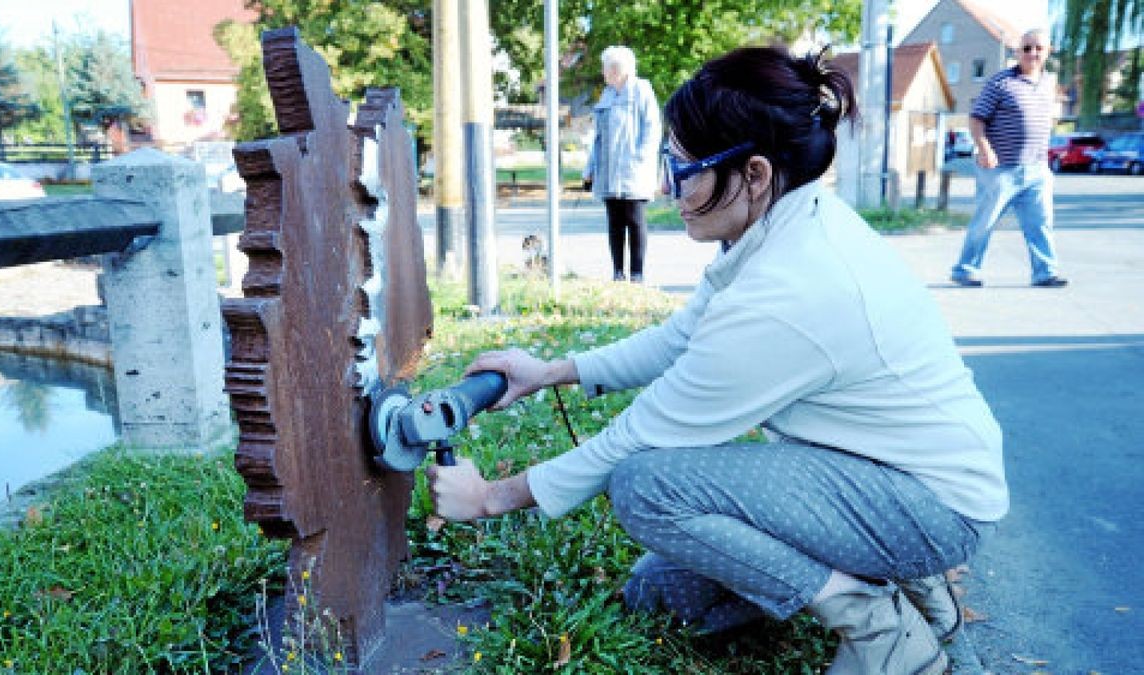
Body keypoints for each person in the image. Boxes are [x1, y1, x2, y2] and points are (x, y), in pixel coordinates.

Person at [429, 45, 1006, 675]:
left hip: (927, 505)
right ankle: (891, 576)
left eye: (683, 169)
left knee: (645, 487)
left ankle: (875, 622)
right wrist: (551, 371)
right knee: (663, 597)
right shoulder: (779, 226)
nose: (665, 188)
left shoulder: (791, 289)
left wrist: (487, 498)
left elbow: (639, 438)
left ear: (754, 174)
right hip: (873, 470)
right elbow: (679, 339)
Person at [950, 29, 1067, 288]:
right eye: (1026, 48)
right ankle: (966, 270)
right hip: (1000, 169)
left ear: (1048, 51)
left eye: (1038, 48)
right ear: (1017, 52)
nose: (1032, 53)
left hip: (1036, 168)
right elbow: (976, 118)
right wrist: (984, 149)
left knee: (1041, 223)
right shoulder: (1000, 83)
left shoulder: (1049, 83)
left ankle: (1045, 272)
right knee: (985, 222)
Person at [583, 46, 662, 283]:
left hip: (633, 171)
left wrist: (640, 159)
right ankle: (618, 272)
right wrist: (590, 168)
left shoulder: (641, 90)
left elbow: (652, 129)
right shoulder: (606, 95)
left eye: (605, 67)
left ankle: (637, 274)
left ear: (617, 69)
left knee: (635, 220)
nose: (603, 72)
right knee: (614, 222)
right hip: (608, 170)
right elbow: (597, 137)